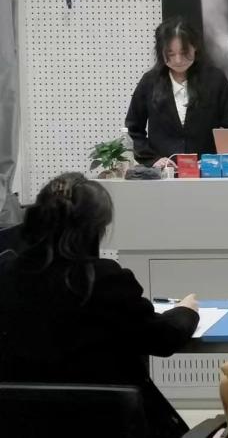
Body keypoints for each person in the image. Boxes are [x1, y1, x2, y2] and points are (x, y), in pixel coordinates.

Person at [0, 173, 200, 438]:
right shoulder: (105, 280)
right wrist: (186, 311)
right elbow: (162, 339)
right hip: (110, 426)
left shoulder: (7, 274)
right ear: (97, 227)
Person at [125, 17, 228, 168]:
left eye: (184, 52)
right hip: (164, 172)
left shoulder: (215, 79)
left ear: (195, 47)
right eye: (170, 54)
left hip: (207, 170)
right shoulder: (150, 81)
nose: (178, 60)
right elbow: (133, 128)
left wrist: (217, 159)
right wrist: (152, 159)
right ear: (161, 52)